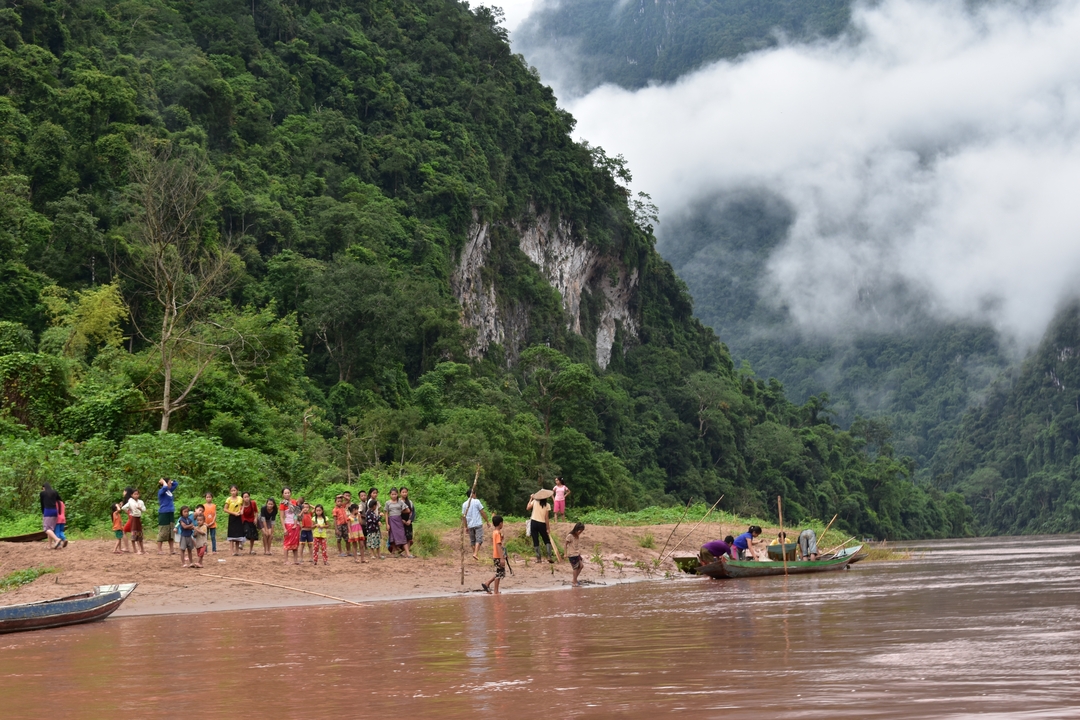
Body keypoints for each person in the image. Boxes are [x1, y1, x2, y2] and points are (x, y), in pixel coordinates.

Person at [526, 493, 555, 564]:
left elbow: (527, 508)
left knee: (535, 540)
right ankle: (549, 556)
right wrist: (548, 528)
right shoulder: (547, 505)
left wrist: (531, 498)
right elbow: (546, 518)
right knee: (546, 540)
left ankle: (538, 558)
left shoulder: (535, 502)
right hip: (542, 523)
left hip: (533, 523)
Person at [481, 515, 507, 595]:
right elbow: (498, 545)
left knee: (499, 573)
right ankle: (494, 589)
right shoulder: (497, 533)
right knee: (499, 573)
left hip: (496, 555)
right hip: (498, 556)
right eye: (502, 523)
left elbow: (499, 544)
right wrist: (502, 558)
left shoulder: (495, 532)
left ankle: (488, 584)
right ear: (500, 523)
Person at [462, 489, 490, 560]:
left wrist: (466, 527)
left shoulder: (464, 504)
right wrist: (487, 521)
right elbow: (482, 512)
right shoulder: (477, 501)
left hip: (470, 525)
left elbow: (464, 517)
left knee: (472, 541)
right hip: (477, 524)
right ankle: (475, 553)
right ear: (473, 494)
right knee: (479, 540)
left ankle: (475, 554)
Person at [384, 488, 410, 558]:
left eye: (395, 494)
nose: (394, 496)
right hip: (391, 520)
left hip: (399, 520)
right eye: (392, 494)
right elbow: (386, 513)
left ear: (397, 494)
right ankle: (393, 552)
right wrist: (387, 524)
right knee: (393, 536)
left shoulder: (400, 502)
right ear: (390, 495)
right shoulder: (387, 503)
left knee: (402, 535)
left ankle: (408, 553)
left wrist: (400, 512)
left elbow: (408, 510)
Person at [156, 477, 178, 555]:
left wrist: (171, 481)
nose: (170, 484)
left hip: (170, 512)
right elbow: (165, 487)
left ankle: (171, 550)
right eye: (169, 483)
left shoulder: (169, 491)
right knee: (163, 531)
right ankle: (159, 550)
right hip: (164, 513)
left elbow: (176, 484)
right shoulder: (161, 491)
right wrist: (163, 482)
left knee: (171, 531)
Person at [40, 482, 63, 549]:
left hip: (47, 511)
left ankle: (57, 539)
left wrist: (43, 513)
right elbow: (60, 500)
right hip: (55, 511)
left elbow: (42, 504)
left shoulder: (42, 493)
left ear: (44, 487)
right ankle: (49, 546)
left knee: (46, 529)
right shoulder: (54, 492)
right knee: (51, 529)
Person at [123, 489, 146, 554]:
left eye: (137, 494)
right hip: (133, 518)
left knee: (140, 533)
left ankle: (142, 550)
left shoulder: (140, 502)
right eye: (134, 494)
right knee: (134, 533)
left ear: (139, 495)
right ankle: (135, 550)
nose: (136, 495)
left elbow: (144, 509)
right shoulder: (130, 501)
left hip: (138, 518)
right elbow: (124, 507)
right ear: (132, 495)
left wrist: (140, 508)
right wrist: (130, 511)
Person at [224, 485, 244, 556]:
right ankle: (231, 551)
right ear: (230, 491)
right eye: (232, 490)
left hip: (239, 517)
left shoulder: (240, 498)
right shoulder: (228, 499)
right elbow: (225, 509)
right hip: (232, 517)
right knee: (232, 534)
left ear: (237, 491)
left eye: (234, 490)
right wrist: (233, 513)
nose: (233, 492)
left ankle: (237, 551)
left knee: (238, 534)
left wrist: (242, 510)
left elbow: (243, 505)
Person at [566, 522, 586, 586]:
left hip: (577, 553)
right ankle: (574, 582)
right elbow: (565, 545)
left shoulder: (577, 536)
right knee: (575, 568)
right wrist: (565, 553)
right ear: (577, 529)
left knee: (581, 566)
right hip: (572, 554)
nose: (580, 532)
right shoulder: (570, 536)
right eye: (580, 531)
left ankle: (574, 579)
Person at [400, 486, 416, 554]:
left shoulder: (410, 502)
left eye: (406, 492)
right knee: (402, 537)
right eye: (403, 492)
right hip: (400, 522)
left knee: (409, 537)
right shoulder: (398, 501)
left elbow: (412, 512)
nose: (404, 494)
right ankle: (402, 551)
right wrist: (401, 520)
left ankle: (407, 552)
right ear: (400, 493)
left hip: (408, 522)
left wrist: (410, 520)